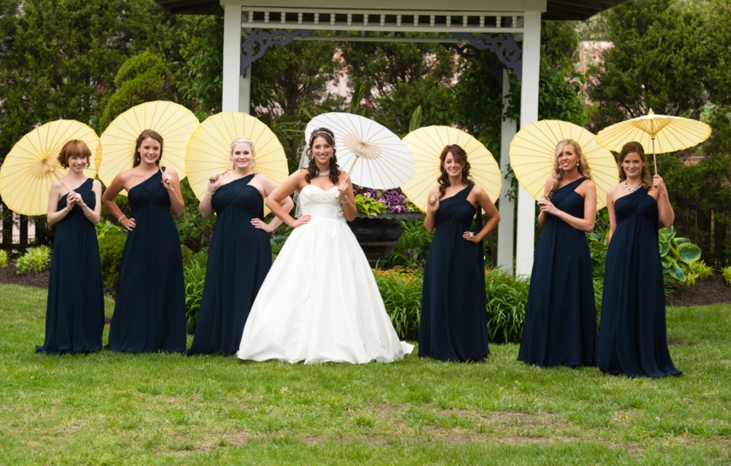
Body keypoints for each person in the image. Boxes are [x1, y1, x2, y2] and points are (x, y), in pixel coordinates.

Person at [237, 127, 413, 364]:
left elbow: (351, 216)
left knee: (339, 287)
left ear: (332, 149)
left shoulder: (343, 177)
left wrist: (344, 197)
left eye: (326, 146)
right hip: (307, 236)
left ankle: (339, 340)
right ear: (311, 150)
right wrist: (292, 222)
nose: (322, 151)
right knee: (300, 286)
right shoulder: (301, 175)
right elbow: (272, 199)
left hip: (337, 237)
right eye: (317, 146)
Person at [186, 137, 293, 356]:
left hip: (251, 241)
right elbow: (205, 212)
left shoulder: (260, 180)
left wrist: (270, 225)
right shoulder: (220, 179)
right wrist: (210, 189)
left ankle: (248, 342)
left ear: (253, 156)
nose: (242, 157)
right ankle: (219, 340)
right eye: (238, 153)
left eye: (246, 153)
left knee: (248, 287)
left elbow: (288, 202)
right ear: (231, 156)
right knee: (221, 285)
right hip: (223, 240)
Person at [599, 141, 681, 378]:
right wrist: (610, 256)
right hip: (619, 252)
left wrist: (663, 192)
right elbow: (613, 228)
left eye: (636, 161)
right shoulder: (613, 192)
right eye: (627, 161)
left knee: (644, 300)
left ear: (644, 162)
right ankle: (617, 357)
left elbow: (667, 221)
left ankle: (644, 355)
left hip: (646, 253)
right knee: (619, 301)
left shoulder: (654, 189)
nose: (631, 165)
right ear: (621, 164)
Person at [102, 130, 186, 353]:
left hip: (165, 237)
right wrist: (122, 219)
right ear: (139, 148)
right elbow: (107, 198)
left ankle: (164, 339)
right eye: (147, 147)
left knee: (164, 282)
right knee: (135, 283)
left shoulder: (170, 174)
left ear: (160, 151)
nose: (151, 152)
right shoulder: (125, 176)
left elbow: (179, 211)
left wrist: (169, 189)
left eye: (155, 148)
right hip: (138, 237)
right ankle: (134, 335)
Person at [517, 139, 599, 368]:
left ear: (578, 158)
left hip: (573, 247)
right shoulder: (551, 183)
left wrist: (557, 211)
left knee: (569, 295)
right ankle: (544, 350)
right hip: (549, 244)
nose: (564, 158)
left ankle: (572, 353)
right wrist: (544, 207)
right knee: (545, 294)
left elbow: (589, 224)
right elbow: (543, 221)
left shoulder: (587, 186)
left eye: (569, 154)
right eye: (561, 154)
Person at [418, 144, 500, 362]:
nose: (453, 165)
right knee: (439, 296)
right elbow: (428, 227)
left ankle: (465, 346)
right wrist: (432, 209)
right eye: (448, 161)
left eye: (457, 161)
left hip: (464, 252)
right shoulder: (435, 192)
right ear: (443, 165)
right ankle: (438, 346)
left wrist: (478, 236)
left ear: (463, 164)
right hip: (439, 250)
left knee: (462, 297)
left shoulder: (476, 191)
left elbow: (495, 217)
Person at [36, 140, 104, 354]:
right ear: (66, 159)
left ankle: (88, 338)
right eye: (74, 157)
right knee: (66, 285)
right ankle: (63, 338)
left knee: (88, 284)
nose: (79, 161)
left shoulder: (95, 185)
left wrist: (83, 204)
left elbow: (96, 220)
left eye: (82, 157)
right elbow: (50, 219)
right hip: (66, 241)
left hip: (88, 241)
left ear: (87, 159)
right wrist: (67, 208)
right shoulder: (57, 185)